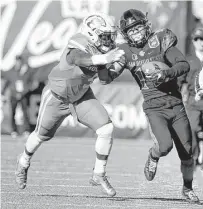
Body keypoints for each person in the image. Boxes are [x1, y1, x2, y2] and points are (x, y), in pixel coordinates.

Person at [15, 13, 125, 197]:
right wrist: (106, 59)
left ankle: (99, 173)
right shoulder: (79, 41)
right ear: (91, 33)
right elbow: (78, 59)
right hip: (57, 96)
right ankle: (24, 161)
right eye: (104, 35)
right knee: (40, 136)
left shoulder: (103, 51)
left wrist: (118, 68)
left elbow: (105, 79)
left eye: (110, 35)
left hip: (81, 96)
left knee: (106, 128)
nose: (108, 39)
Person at [99, 9, 199, 203]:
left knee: (187, 154)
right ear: (125, 33)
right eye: (131, 30)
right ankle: (153, 156)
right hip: (154, 107)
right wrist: (102, 61)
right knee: (164, 146)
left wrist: (167, 73)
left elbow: (183, 64)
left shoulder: (160, 40)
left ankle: (187, 189)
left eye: (138, 28)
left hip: (176, 104)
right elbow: (105, 79)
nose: (136, 33)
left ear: (146, 26)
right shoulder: (125, 52)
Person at [181, 28, 203, 171]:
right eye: (196, 39)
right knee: (192, 129)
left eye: (201, 38)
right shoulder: (188, 59)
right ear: (193, 42)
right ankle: (195, 157)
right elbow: (181, 80)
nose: (199, 42)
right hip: (193, 100)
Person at [1, 55, 35, 138]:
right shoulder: (11, 71)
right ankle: (14, 130)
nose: (18, 63)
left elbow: (29, 83)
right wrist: (2, 94)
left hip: (23, 95)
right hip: (13, 95)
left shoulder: (25, 71)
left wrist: (24, 92)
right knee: (13, 112)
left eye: (19, 61)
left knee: (25, 113)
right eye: (17, 61)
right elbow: (6, 83)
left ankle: (26, 130)